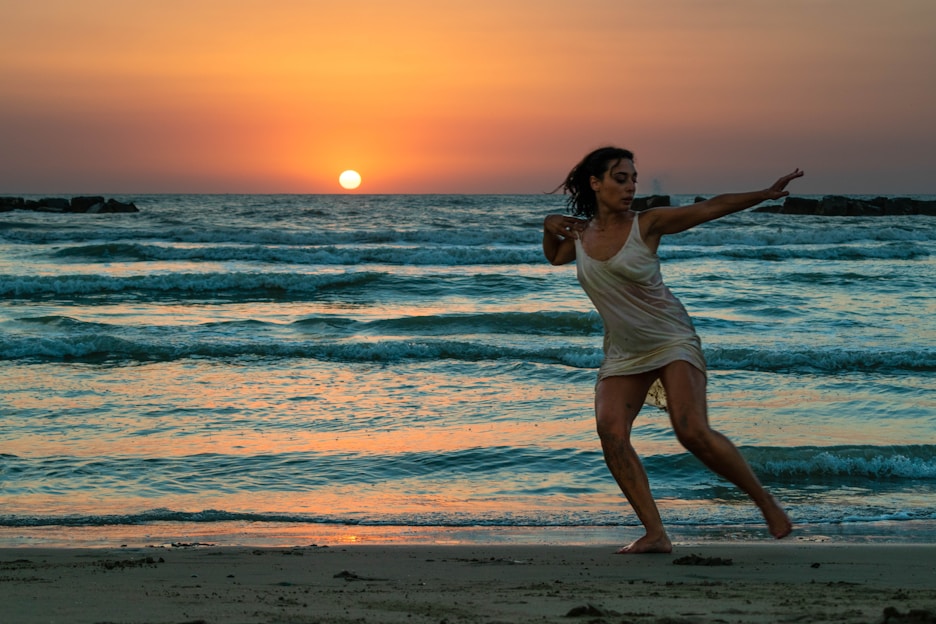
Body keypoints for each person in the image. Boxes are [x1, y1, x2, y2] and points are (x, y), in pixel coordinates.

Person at [543, 146, 802, 554]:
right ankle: (655, 533)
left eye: (633, 180)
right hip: (624, 352)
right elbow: (556, 255)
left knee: (691, 430)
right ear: (595, 183)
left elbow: (711, 208)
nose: (630, 187)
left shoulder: (647, 224)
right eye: (620, 178)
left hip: (671, 338)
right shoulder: (580, 233)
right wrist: (548, 225)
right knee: (610, 434)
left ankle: (765, 502)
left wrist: (765, 194)